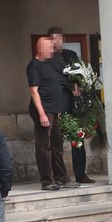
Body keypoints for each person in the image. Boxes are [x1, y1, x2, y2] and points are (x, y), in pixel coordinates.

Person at [48, 27, 93, 184]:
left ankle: (80, 173)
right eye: (54, 38)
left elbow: (79, 73)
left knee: (78, 139)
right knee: (56, 142)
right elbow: (54, 80)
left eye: (59, 38)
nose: (57, 42)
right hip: (57, 105)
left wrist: (79, 85)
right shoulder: (47, 59)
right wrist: (69, 85)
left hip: (74, 106)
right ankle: (60, 176)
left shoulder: (70, 55)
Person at [27, 36, 70, 191]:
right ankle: (47, 180)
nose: (52, 51)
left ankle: (62, 178)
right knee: (44, 146)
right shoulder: (34, 65)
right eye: (49, 48)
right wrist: (42, 114)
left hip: (54, 110)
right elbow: (34, 90)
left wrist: (57, 108)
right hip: (44, 111)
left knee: (57, 144)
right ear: (41, 49)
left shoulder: (48, 65)